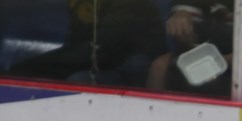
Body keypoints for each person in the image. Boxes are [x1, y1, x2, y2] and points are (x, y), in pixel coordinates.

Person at [144, 0, 242, 99]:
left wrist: (226, 61)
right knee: (160, 66)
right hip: (207, 56)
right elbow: (191, 40)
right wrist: (182, 24)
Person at [6, 0, 165, 87]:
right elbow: (78, 44)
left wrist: (30, 68)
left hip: (133, 65)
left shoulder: (129, 4)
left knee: (79, 81)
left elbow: (105, 51)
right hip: (100, 60)